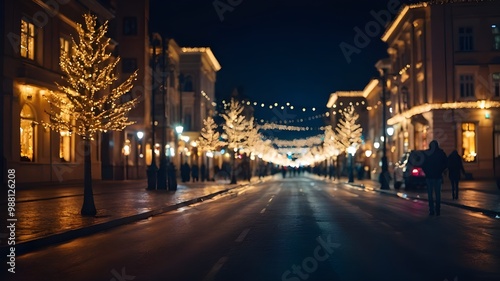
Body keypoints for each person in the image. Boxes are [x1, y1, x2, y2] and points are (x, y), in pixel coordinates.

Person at [421, 140, 448, 216]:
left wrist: (426, 172)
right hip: (438, 176)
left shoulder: (427, 153)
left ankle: (431, 210)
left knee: (430, 194)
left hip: (429, 177)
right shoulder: (441, 153)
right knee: (437, 194)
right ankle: (438, 210)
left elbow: (423, 164)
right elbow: (446, 163)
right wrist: (441, 170)